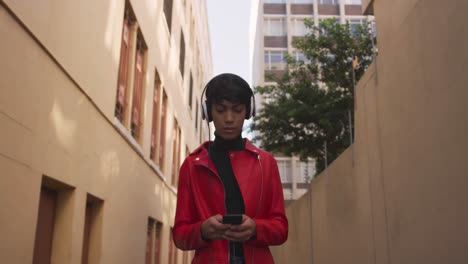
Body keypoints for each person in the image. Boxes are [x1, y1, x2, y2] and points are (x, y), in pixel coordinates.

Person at [173, 73, 288, 264]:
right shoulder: (191, 165)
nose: (228, 118)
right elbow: (179, 235)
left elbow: (281, 229)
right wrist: (202, 230)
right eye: (220, 110)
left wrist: (255, 229)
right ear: (208, 113)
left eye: (237, 110)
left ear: (248, 112)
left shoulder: (266, 163)